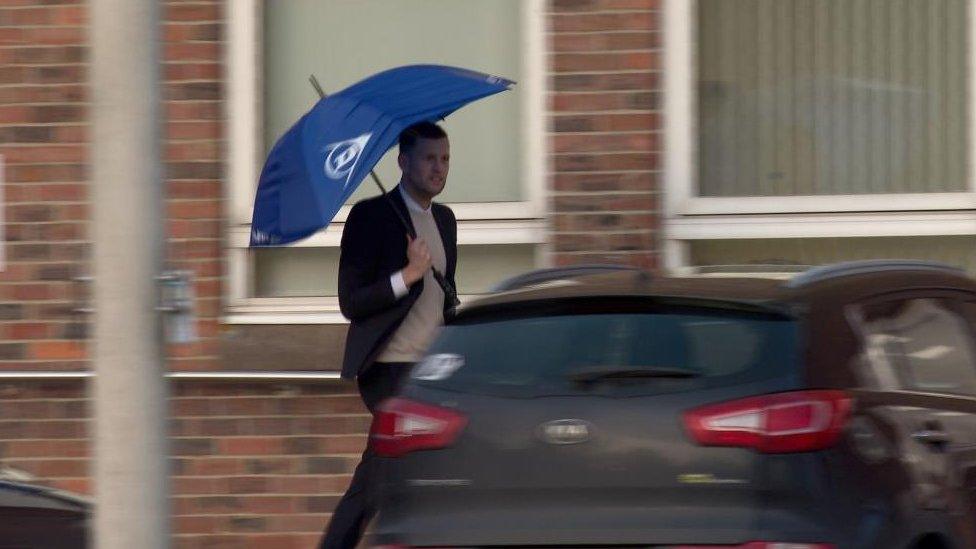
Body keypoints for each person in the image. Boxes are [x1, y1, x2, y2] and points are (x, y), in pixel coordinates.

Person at [318, 121, 458, 549]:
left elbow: (444, 296)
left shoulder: (445, 221)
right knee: (385, 474)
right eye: (429, 159)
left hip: (433, 368)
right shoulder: (371, 217)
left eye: (445, 159)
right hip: (390, 368)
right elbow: (351, 301)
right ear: (403, 162)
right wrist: (407, 275)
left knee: (405, 475)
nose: (439, 169)